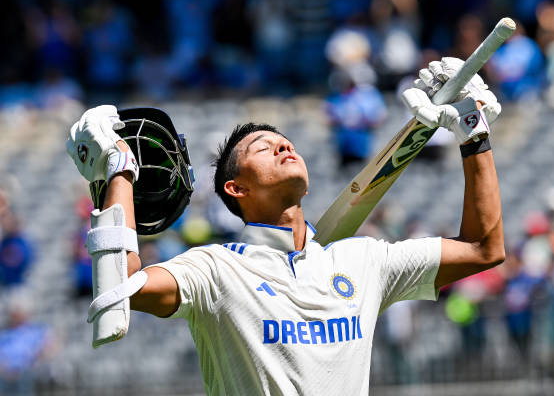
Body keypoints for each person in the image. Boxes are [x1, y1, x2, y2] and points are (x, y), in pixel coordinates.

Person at [66, 57, 505, 395]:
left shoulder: (366, 259)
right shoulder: (215, 270)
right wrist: (118, 169)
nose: (282, 146)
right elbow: (120, 289)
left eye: (285, 142)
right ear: (236, 188)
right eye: (263, 147)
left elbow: (484, 248)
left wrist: (474, 134)